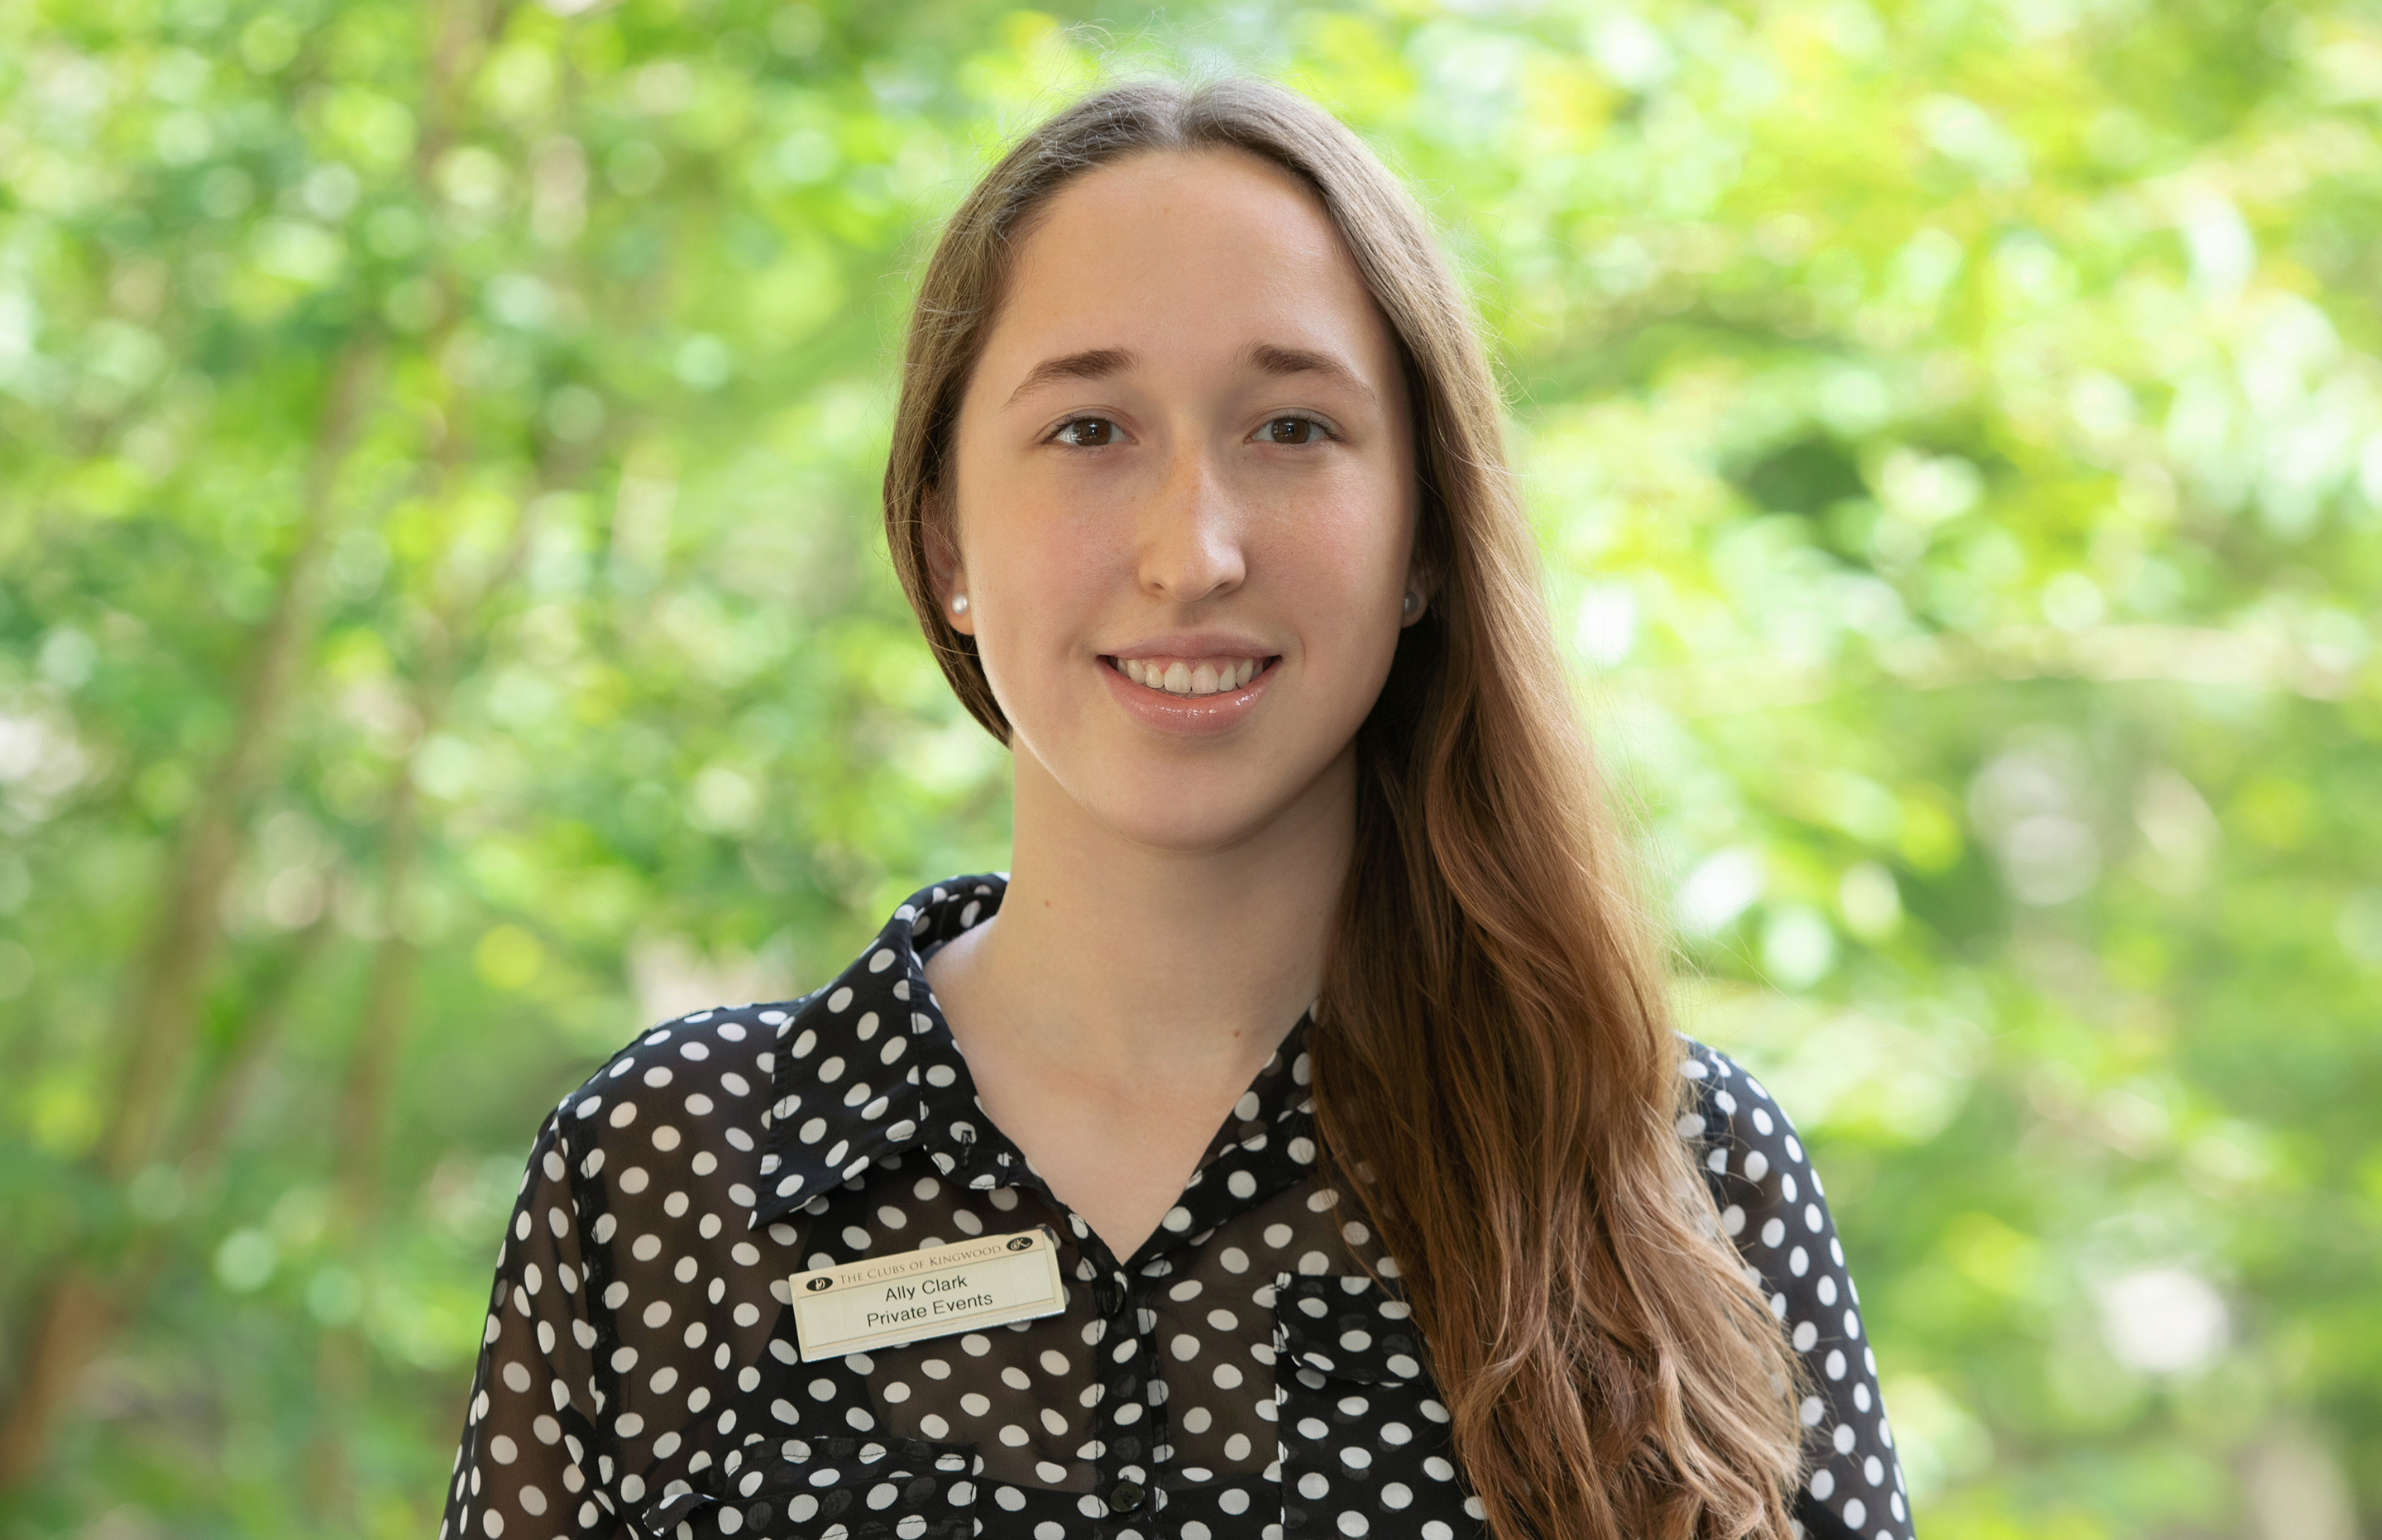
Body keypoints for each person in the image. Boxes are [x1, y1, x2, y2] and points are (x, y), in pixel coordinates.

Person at [439, 78, 1913, 1540]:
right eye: (1090, 429)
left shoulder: (1684, 1173)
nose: (1192, 553)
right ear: (944, 540)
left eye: (1292, 428)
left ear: (1424, 537)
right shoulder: (666, 1173)